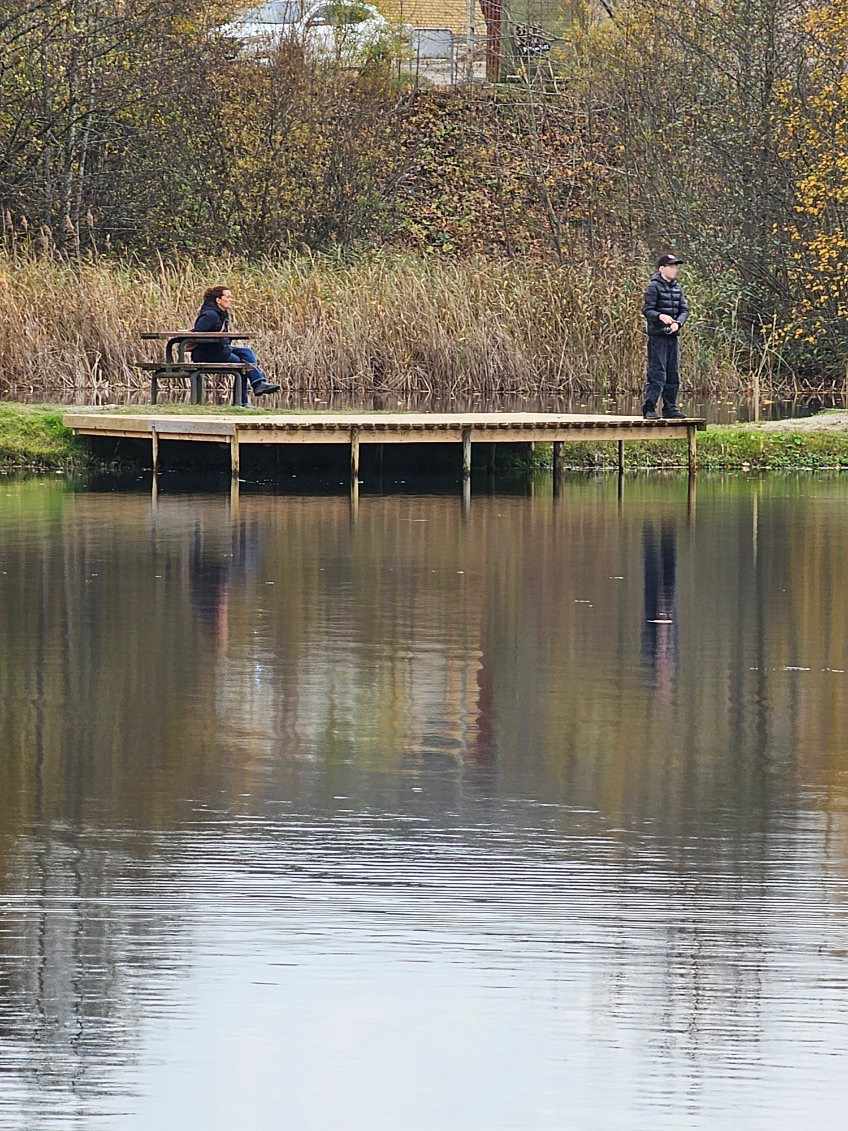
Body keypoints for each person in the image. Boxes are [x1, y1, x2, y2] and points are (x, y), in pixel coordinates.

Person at [191, 285, 280, 406]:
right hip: (206, 354)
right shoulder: (210, 315)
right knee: (242, 365)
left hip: (220, 350)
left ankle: (258, 384)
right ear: (218, 300)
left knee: (247, 352)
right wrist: (219, 339)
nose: (230, 299)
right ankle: (242, 401)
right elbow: (197, 335)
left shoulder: (222, 314)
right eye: (227, 297)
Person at [642, 254, 689, 420]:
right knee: (657, 372)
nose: (674, 269)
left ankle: (670, 407)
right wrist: (660, 316)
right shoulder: (653, 287)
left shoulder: (677, 288)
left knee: (672, 373)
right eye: (671, 266)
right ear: (661, 269)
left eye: (675, 266)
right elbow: (647, 310)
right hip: (657, 337)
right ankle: (649, 408)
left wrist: (678, 324)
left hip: (672, 337)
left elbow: (684, 310)